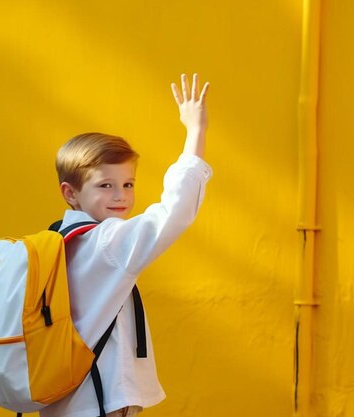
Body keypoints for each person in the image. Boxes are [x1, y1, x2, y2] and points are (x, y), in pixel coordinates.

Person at [40, 74, 212, 417]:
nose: (120, 196)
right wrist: (196, 132)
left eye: (128, 183)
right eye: (105, 185)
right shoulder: (105, 242)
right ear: (70, 193)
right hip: (101, 402)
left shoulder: (60, 240)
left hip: (64, 400)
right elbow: (173, 212)